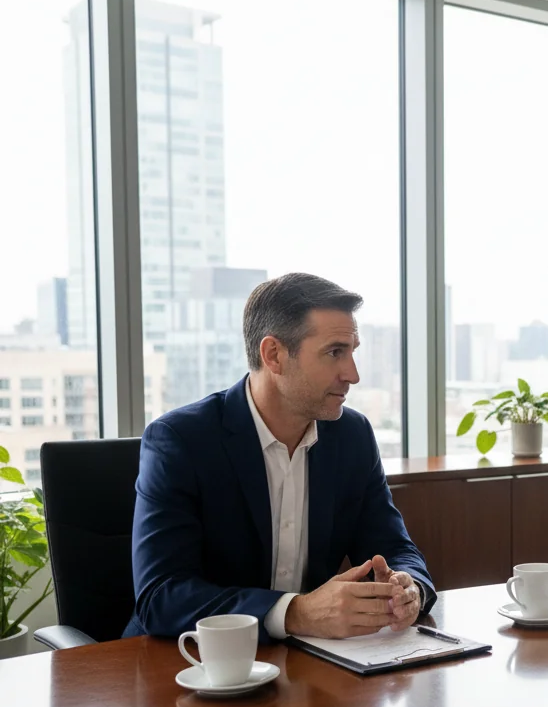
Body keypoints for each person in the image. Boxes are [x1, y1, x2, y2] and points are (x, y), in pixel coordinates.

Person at [126, 273, 435, 642]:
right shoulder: (180, 441)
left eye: (353, 351)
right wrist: (296, 612)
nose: (352, 374)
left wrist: (409, 586)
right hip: (187, 667)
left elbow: (394, 546)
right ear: (273, 355)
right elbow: (162, 598)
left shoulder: (352, 436)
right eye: (335, 352)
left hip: (310, 667)